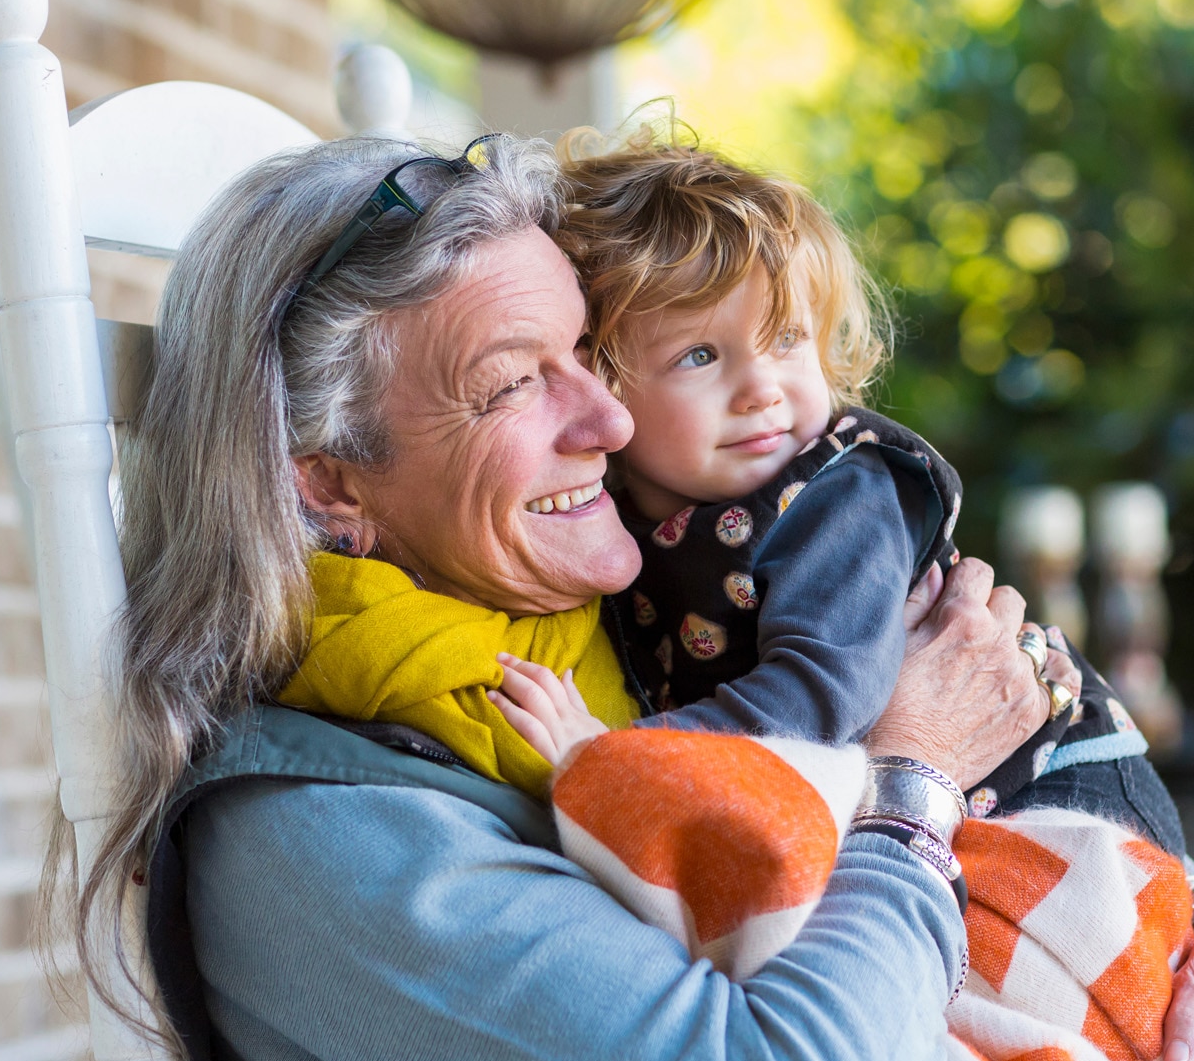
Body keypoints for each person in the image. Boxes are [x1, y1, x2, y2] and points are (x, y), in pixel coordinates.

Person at [76, 132, 1194, 1061]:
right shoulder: (327, 834)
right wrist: (915, 776)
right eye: (514, 382)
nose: (608, 423)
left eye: (590, 358)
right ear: (328, 481)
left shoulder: (603, 645)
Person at [489, 139, 1144, 828]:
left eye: (787, 338)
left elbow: (821, 696)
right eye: (700, 355)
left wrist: (612, 757)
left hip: (1061, 783)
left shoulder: (837, 494)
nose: (762, 391)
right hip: (933, 800)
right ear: (603, 380)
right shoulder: (606, 518)